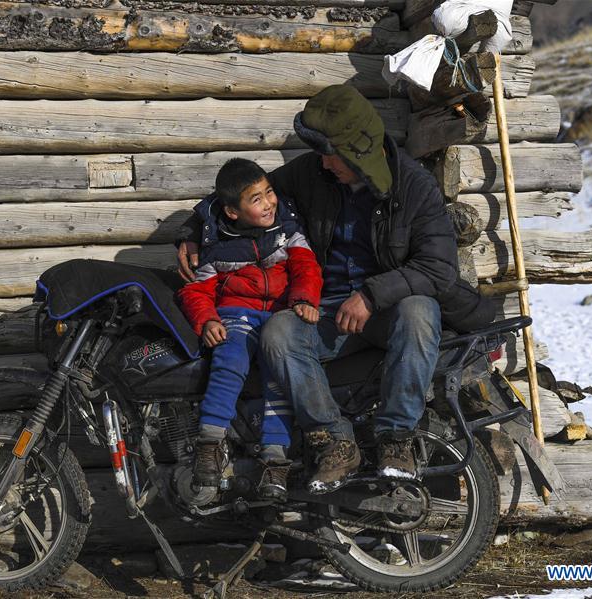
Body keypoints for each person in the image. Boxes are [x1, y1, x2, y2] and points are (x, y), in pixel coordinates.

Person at [177, 85, 494, 495]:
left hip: (387, 311)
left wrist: (372, 295)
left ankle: (397, 438)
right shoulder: (312, 173)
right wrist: (193, 231)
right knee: (277, 332)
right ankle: (334, 440)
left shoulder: (414, 187)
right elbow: (236, 196)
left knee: (419, 310)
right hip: (324, 310)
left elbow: (438, 268)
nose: (322, 163)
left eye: (331, 154)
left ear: (358, 153)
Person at [176, 158, 323, 501]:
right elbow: (196, 291)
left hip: (281, 314)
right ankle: (210, 442)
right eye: (256, 199)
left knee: (278, 375)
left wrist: (304, 300)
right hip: (237, 313)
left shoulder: (288, 232)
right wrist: (208, 320)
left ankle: (275, 458)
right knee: (231, 356)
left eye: (269, 192)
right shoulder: (218, 246)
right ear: (232, 212)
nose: (269, 202)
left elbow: (307, 268)